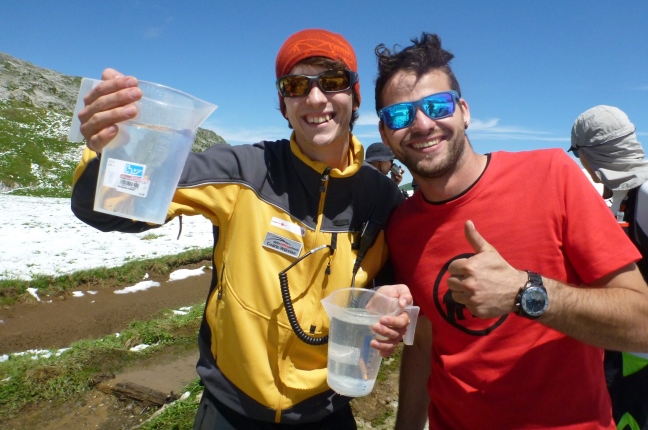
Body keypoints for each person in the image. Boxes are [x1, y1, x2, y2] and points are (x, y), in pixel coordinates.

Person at [70, 28, 412, 429]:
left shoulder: (383, 199)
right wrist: (109, 149)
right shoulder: (242, 170)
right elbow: (110, 209)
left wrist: (389, 306)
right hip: (231, 408)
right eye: (296, 85)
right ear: (283, 105)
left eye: (332, 81)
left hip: (329, 410)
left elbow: (394, 291)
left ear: (354, 96)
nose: (315, 98)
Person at [372, 32, 648, 429]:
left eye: (437, 105)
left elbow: (645, 329)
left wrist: (526, 293)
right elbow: (424, 341)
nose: (422, 124)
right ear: (385, 134)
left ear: (464, 112)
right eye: (400, 116)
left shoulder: (550, 175)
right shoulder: (402, 227)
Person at [570, 105, 648, 430]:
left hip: (647, 358)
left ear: (587, 154)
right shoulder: (629, 192)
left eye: (577, 154)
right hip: (629, 349)